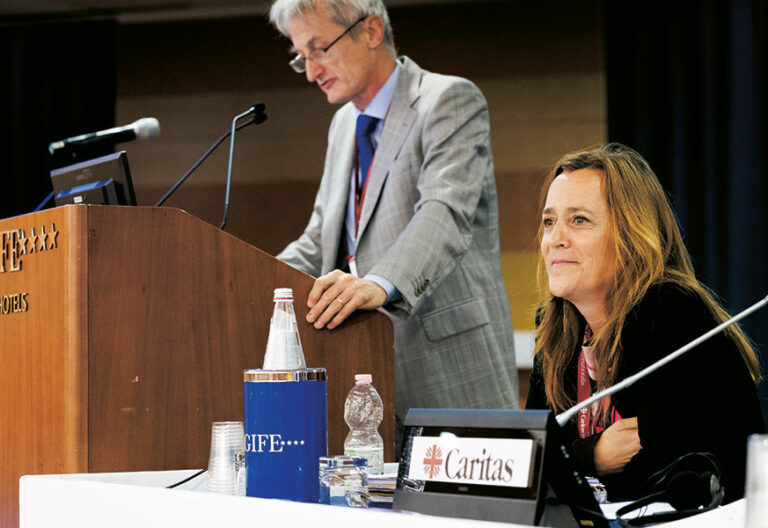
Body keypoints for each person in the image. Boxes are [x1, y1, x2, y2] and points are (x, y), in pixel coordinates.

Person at [267, 0, 519, 424]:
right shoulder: (344, 124)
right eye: (301, 57)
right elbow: (321, 239)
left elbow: (443, 210)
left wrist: (378, 284)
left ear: (371, 31)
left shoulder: (448, 100)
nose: (310, 72)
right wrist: (246, 283)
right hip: (369, 373)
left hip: (449, 368)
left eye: (319, 48)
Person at [526, 142, 764, 503]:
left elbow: (660, 475)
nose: (555, 239)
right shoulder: (556, 328)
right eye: (549, 221)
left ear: (630, 236)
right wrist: (593, 455)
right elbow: (528, 459)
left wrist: (570, 457)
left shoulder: (670, 312)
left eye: (579, 220)